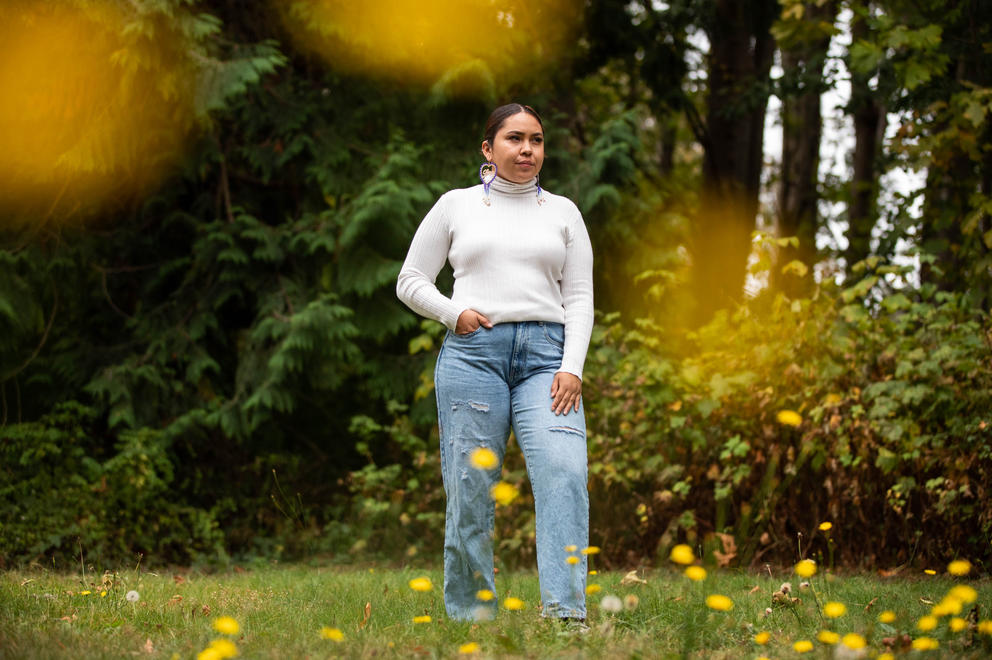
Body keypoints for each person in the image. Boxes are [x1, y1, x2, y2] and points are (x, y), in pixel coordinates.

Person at [396, 103, 594, 622]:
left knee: (565, 473)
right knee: (470, 487)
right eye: (514, 139)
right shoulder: (457, 205)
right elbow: (411, 278)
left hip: (548, 363)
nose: (527, 150)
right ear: (488, 149)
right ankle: (472, 616)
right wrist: (452, 312)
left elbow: (578, 297)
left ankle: (566, 614)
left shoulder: (563, 212)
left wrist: (572, 365)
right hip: (474, 357)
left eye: (536, 140)